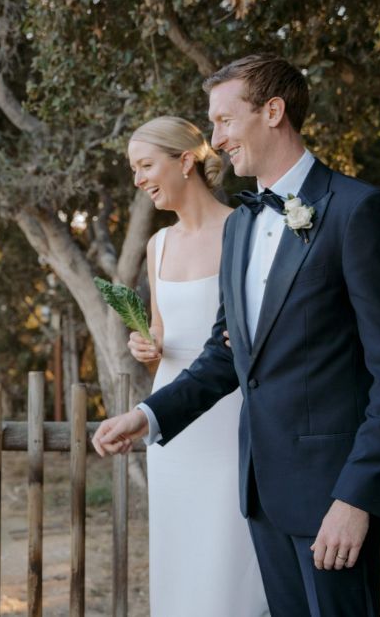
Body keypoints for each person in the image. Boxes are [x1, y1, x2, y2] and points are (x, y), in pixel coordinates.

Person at [92, 54, 380, 617]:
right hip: (261, 495)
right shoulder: (244, 224)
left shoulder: (359, 211)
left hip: (333, 500)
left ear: (272, 111)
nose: (216, 140)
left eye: (224, 121)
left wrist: (357, 497)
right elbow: (226, 355)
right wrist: (149, 416)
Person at [121, 116, 270, 616]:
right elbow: (162, 331)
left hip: (230, 418)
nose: (138, 179)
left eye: (145, 165)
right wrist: (146, 346)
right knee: (180, 550)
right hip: (173, 421)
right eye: (134, 169)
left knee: (229, 552)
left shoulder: (243, 231)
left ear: (185, 161)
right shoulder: (157, 244)